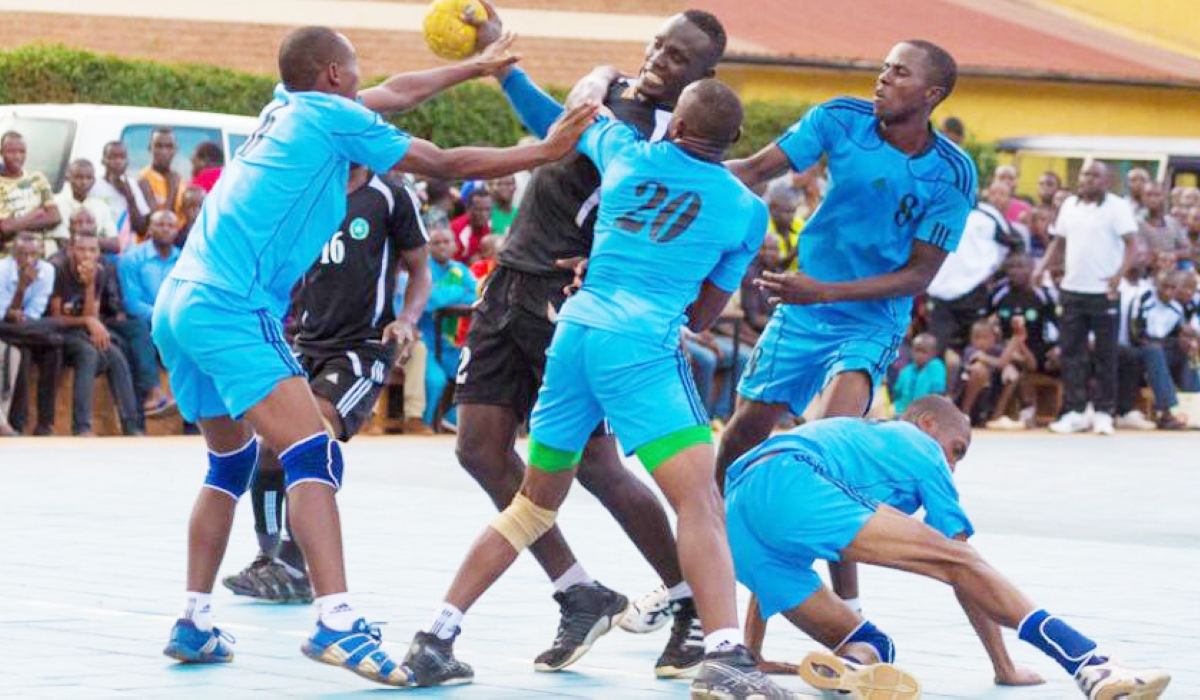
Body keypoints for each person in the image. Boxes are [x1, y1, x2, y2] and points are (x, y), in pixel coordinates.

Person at [150, 23, 596, 686]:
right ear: (332, 75)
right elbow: (445, 163)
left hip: (180, 299)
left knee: (232, 461)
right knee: (312, 452)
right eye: (352, 70)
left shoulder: (287, 105)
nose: (362, 82)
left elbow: (396, 91)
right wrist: (548, 150)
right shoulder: (332, 119)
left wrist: (473, 67)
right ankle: (336, 622)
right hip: (231, 304)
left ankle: (193, 620)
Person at [404, 78, 793, 700]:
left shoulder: (626, 152)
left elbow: (572, 117)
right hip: (639, 345)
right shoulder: (746, 210)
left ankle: (435, 637)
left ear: (674, 126)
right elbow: (699, 317)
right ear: (735, 141)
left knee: (533, 504)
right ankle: (724, 655)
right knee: (699, 504)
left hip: (574, 335)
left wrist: (568, 79)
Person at [451, 9, 729, 678]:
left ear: (701, 79)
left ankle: (690, 601)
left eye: (679, 56)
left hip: (568, 301)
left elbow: (552, 123)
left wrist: (505, 64)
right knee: (480, 450)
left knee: (599, 465)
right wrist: (499, 47)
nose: (660, 57)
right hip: (509, 281)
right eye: (660, 43)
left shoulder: (658, 133)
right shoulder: (613, 95)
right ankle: (579, 591)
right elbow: (559, 121)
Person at [715, 40, 978, 668]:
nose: (882, 79)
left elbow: (918, 276)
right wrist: (676, 169)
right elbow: (752, 169)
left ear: (932, 94)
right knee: (737, 445)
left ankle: (848, 614)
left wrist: (824, 289)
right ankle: (712, 578)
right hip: (803, 311)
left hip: (870, 319)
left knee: (823, 448)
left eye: (899, 73)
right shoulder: (839, 118)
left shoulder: (952, 173)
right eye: (883, 69)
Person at [724, 395, 1171, 699]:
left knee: (871, 642)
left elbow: (769, 570)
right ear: (926, 424)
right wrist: (1003, 666)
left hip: (738, 508)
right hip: (792, 475)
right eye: (957, 450)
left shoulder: (857, 443)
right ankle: (1090, 663)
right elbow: (961, 569)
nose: (952, 467)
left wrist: (753, 653)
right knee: (963, 560)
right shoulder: (918, 446)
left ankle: (855, 667)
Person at [221, 163, 431, 602]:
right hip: (304, 342)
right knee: (269, 445)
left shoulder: (390, 195)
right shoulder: (308, 190)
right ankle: (269, 559)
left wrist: (407, 320)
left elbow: (420, 271)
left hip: (360, 349)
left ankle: (295, 563)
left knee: (310, 434)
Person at [1037, 159, 1137, 435]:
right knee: (1072, 353)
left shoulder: (1117, 207)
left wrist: (1120, 274)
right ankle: (1075, 411)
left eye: (1094, 175)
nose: (1087, 180)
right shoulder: (1069, 205)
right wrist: (1042, 266)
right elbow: (1059, 241)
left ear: (1106, 181)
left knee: (1106, 354)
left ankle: (1104, 412)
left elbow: (1132, 244)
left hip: (1104, 291)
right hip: (1072, 290)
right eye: (1084, 174)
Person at [50, 225, 141, 436]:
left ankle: (131, 425)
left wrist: (90, 285)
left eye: (93, 250)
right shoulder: (59, 269)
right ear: (71, 249)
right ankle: (82, 427)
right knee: (88, 354)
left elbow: (92, 313)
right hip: (60, 332)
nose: (88, 255)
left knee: (116, 356)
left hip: (82, 331)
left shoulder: (98, 272)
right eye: (82, 249)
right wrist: (89, 322)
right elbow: (55, 317)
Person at [925, 182, 1020, 356]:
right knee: (936, 350)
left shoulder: (990, 215)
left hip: (974, 293)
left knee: (975, 350)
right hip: (939, 294)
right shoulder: (937, 213)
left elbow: (1015, 245)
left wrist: (995, 275)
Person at [115, 210, 179, 416]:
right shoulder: (132, 258)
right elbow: (132, 303)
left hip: (173, 321)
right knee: (139, 329)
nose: (166, 229)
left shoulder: (184, 260)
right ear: (150, 229)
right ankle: (154, 393)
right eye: (160, 225)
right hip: (143, 320)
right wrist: (164, 317)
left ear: (177, 231)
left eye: (170, 226)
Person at [0, 232, 62, 435]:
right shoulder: (2, 270)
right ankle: (17, 422)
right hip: (7, 328)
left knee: (53, 348)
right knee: (33, 343)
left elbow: (30, 316)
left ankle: (45, 423)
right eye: (22, 255)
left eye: (34, 254)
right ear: (12, 255)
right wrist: (21, 287)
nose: (28, 260)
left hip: (25, 330)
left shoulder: (47, 271)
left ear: (41, 253)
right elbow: (4, 316)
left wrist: (17, 316)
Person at [420, 226, 476, 430]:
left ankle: (451, 418)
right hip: (425, 343)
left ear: (454, 245)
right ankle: (425, 426)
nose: (442, 246)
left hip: (452, 345)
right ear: (427, 247)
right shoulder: (422, 269)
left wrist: (444, 294)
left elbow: (477, 297)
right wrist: (457, 291)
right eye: (436, 243)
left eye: (446, 242)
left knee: (474, 375)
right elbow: (427, 300)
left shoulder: (460, 270)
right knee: (436, 380)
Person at [0, 131, 61, 247]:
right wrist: (35, 214)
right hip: (7, 252)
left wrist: (17, 223)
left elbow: (55, 217)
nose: (17, 156)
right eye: (11, 152)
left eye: (21, 151)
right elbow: (4, 228)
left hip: (38, 250)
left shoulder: (37, 178)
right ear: (1, 153)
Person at [50, 159, 119, 254]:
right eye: (78, 178)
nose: (84, 182)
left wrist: (83, 240)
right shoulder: (55, 203)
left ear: (94, 180)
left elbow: (114, 244)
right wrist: (96, 240)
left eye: (89, 178)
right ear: (68, 177)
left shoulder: (100, 206)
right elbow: (64, 243)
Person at [90, 141, 151, 248]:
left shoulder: (132, 185)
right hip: (101, 247)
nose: (118, 161)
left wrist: (129, 197)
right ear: (103, 161)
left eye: (122, 158)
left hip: (126, 249)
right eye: (113, 157)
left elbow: (141, 229)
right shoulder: (94, 186)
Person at [891, 332, 945, 414]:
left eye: (924, 351)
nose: (919, 355)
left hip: (926, 412)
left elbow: (937, 393)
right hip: (901, 411)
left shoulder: (936, 366)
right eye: (917, 350)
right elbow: (897, 393)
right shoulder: (905, 371)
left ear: (933, 353)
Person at [1138, 180, 1190, 263]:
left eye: (1157, 195)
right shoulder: (1136, 224)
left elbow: (1188, 250)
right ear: (1142, 197)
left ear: (1164, 197)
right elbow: (1141, 254)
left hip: (1173, 271)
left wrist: (1172, 254)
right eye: (1148, 195)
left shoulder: (1172, 222)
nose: (1153, 199)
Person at [138, 127, 186, 217]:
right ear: (150, 148)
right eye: (159, 146)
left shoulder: (178, 178)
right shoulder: (144, 179)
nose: (164, 151)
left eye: (169, 146)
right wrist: (172, 189)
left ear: (176, 149)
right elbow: (160, 222)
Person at [764, 177, 804, 271]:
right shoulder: (763, 230)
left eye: (793, 211)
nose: (791, 216)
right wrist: (793, 254)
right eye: (786, 211)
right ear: (772, 207)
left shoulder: (798, 224)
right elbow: (772, 267)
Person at [450, 187, 491, 263]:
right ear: (468, 209)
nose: (483, 214)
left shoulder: (489, 228)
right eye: (478, 209)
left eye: (487, 209)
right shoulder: (456, 229)